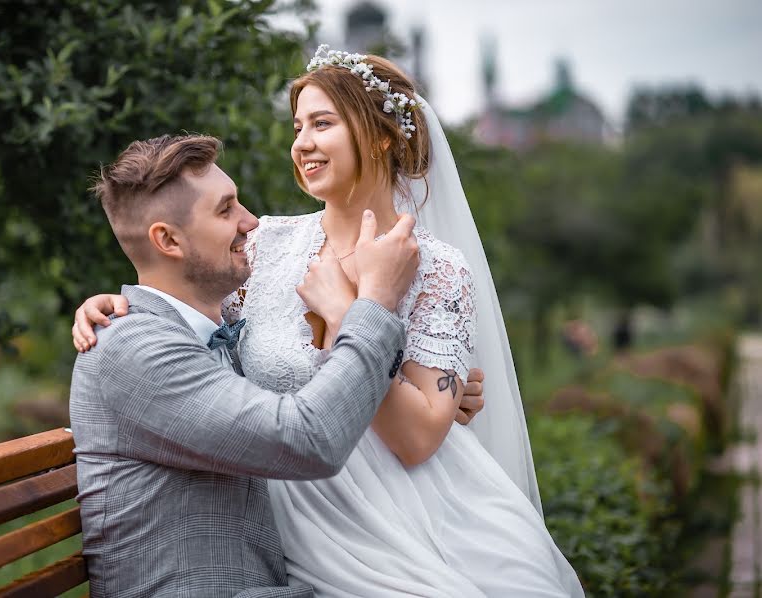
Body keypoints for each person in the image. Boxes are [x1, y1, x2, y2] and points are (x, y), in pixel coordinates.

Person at [73, 47, 584, 596]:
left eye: (322, 123)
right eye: (297, 126)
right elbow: (192, 316)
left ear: (382, 136)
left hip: (408, 512)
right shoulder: (264, 246)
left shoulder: (435, 267)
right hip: (300, 510)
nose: (302, 143)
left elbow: (416, 440)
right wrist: (116, 303)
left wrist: (350, 316)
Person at [70, 133, 426, 597]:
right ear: (168, 240)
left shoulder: (203, 331)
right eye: (225, 209)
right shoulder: (132, 349)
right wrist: (376, 301)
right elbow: (307, 439)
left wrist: (427, 388)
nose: (251, 222)